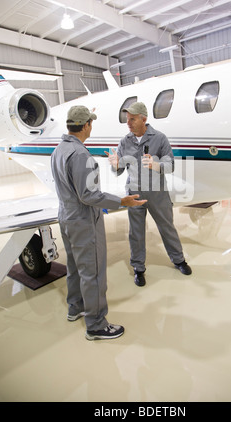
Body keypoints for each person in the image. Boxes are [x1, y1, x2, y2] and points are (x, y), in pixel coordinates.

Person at [51, 105, 147, 340]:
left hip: (66, 217)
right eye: (90, 123)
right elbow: (89, 195)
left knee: (74, 268)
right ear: (85, 126)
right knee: (92, 273)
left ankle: (75, 308)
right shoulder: (81, 155)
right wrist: (122, 201)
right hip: (83, 222)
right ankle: (96, 324)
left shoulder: (59, 150)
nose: (91, 126)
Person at [106, 101, 191, 287]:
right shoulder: (124, 141)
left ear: (144, 119)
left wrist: (156, 165)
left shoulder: (159, 138)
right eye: (127, 119)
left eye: (133, 119)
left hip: (157, 193)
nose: (128, 123)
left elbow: (171, 166)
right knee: (136, 233)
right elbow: (119, 170)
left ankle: (179, 260)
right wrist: (114, 164)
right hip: (134, 193)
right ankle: (138, 268)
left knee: (167, 227)